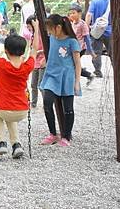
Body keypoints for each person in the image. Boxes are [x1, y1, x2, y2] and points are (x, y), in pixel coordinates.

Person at [0, 19, 39, 158]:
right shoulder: (27, 66)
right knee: (10, 116)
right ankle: (16, 144)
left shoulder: (1, 64)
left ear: (5, 51)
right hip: (22, 111)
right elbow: (35, 49)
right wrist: (36, 29)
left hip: (4, 109)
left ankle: (1, 142)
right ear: (23, 51)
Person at [39, 14, 82, 147]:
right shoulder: (52, 38)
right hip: (52, 74)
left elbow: (77, 63)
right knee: (47, 103)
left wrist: (77, 82)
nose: (49, 32)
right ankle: (53, 134)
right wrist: (44, 59)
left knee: (68, 108)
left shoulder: (72, 42)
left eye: (50, 29)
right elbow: (51, 52)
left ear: (58, 27)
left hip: (67, 77)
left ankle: (66, 136)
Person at [85, 0, 112, 78]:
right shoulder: (111, 2)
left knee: (96, 51)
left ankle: (98, 71)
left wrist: (86, 27)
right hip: (109, 30)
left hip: (97, 31)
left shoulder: (95, 2)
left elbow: (89, 15)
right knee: (112, 51)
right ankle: (117, 70)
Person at [68, 4, 95, 85]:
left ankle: (87, 75)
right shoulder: (73, 23)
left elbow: (87, 38)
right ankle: (86, 74)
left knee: (73, 64)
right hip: (73, 48)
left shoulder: (82, 24)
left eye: (73, 13)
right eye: (70, 13)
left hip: (80, 48)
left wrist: (91, 51)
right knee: (73, 64)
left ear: (79, 14)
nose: (71, 15)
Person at [24, 15, 46, 108]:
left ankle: (46, 102)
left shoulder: (42, 34)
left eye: (29, 26)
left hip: (42, 61)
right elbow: (31, 48)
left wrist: (39, 52)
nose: (28, 28)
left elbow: (47, 48)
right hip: (35, 62)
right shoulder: (33, 35)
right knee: (33, 84)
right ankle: (33, 102)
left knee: (41, 84)